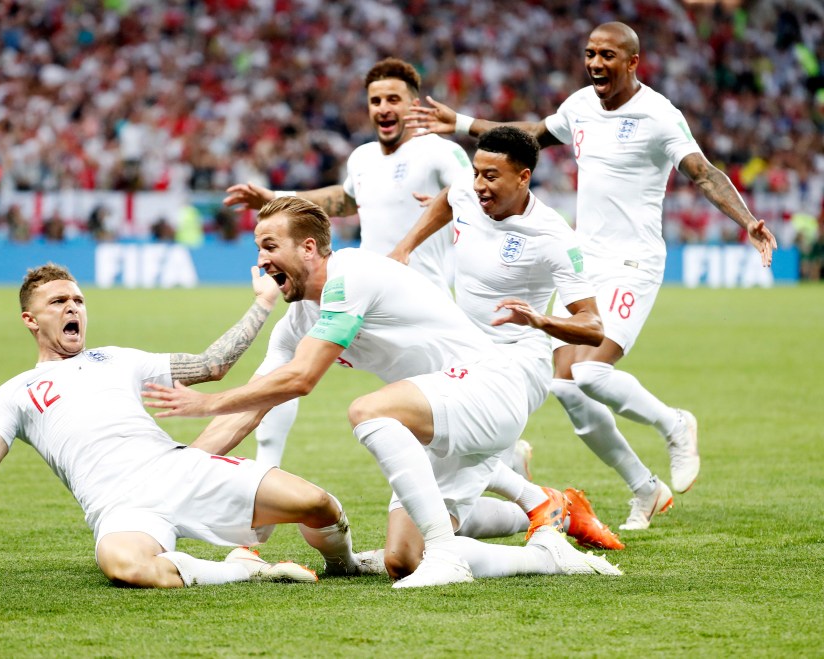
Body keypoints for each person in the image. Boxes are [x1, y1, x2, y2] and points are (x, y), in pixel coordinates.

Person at [408, 21, 778, 529]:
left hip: (634, 262)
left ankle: (674, 424)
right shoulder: (581, 104)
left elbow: (703, 172)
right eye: (590, 54)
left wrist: (748, 222)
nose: (596, 63)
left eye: (607, 55)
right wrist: (462, 121)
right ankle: (644, 488)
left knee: (589, 372)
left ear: (633, 63)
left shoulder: (659, 115)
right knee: (565, 387)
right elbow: (529, 138)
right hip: (587, 258)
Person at [144, 196, 622, 588]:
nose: (261, 259)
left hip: (487, 387)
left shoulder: (352, 274)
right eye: (257, 247)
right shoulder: (296, 323)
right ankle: (546, 551)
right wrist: (171, 475)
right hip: (436, 415)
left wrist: (206, 400)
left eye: (270, 245)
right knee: (401, 559)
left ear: (309, 248)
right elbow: (253, 406)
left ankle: (448, 552)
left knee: (369, 410)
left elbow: (302, 379)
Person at [0, 263, 381, 588]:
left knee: (317, 505)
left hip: (176, 469)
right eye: (58, 302)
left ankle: (347, 563)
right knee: (124, 566)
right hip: (117, 504)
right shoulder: (14, 393)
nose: (72, 309)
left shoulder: (117, 359)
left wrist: (262, 303)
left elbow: (212, 365)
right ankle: (244, 571)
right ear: (30, 319)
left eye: (78, 300)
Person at [222, 57, 479, 474]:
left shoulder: (438, 151)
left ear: (414, 105)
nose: (383, 107)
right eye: (375, 99)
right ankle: (262, 478)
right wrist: (275, 196)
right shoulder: (361, 158)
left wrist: (408, 242)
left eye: (393, 98)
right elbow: (342, 200)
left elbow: (469, 186)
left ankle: (510, 471)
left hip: (415, 312)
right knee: (283, 359)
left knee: (448, 430)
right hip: (353, 297)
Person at [389, 126, 622, 550]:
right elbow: (448, 199)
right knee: (443, 518)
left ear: (524, 177)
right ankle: (557, 506)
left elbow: (593, 325)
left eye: (491, 176)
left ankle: (526, 487)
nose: (479, 185)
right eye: (477, 172)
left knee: (439, 456)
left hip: (519, 363)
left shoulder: (552, 236)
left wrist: (539, 321)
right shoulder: (468, 190)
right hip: (464, 355)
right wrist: (406, 246)